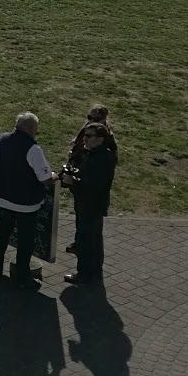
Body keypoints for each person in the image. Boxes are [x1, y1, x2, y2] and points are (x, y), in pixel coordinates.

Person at [0, 111, 58, 290]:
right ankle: (22, 277)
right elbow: (44, 178)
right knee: (25, 241)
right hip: (25, 204)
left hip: (1, 198)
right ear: (31, 128)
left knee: (1, 235)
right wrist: (55, 176)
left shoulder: (0, 140)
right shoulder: (33, 149)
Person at [61, 120, 116, 285]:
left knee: (86, 240)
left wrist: (73, 182)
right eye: (85, 135)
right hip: (87, 204)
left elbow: (94, 184)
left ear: (100, 139)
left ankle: (84, 274)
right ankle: (94, 272)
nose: (85, 138)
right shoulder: (90, 153)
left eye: (89, 136)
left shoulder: (103, 158)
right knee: (93, 239)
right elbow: (80, 172)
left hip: (91, 205)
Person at [65, 105, 117, 255]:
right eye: (89, 117)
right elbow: (78, 148)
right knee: (82, 222)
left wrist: (75, 180)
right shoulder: (89, 130)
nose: (91, 120)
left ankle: (87, 257)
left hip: (92, 199)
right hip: (83, 191)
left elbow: (96, 182)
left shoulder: (105, 142)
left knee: (90, 232)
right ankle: (80, 244)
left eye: (95, 118)